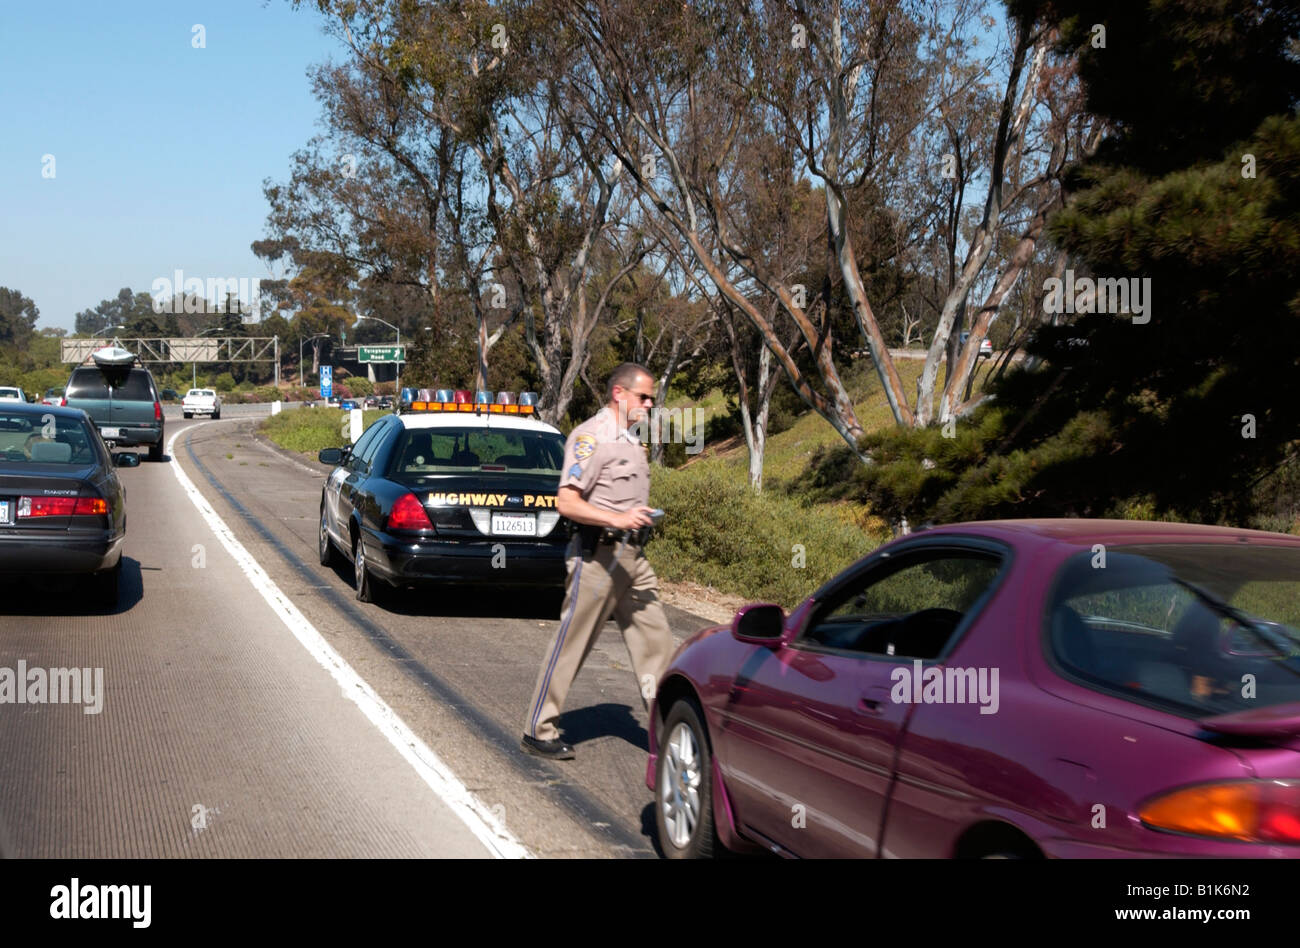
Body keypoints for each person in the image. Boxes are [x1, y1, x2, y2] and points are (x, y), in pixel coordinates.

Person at [521, 362, 674, 759]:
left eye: (653, 398)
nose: (650, 404)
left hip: (632, 558)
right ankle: (539, 728)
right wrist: (617, 519)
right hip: (597, 558)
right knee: (572, 644)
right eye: (644, 397)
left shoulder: (632, 439)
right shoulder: (591, 436)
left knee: (657, 647)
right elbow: (566, 501)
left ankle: (670, 738)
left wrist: (637, 517)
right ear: (619, 394)